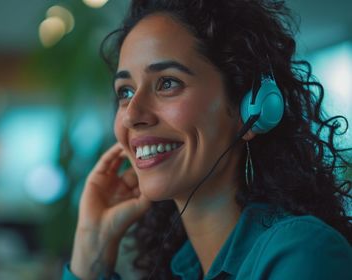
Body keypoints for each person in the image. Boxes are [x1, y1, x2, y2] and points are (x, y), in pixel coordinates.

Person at [63, 0, 352, 279]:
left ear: (251, 109)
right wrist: (92, 249)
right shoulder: (184, 266)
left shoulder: (301, 254)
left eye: (168, 83)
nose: (131, 115)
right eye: (125, 91)